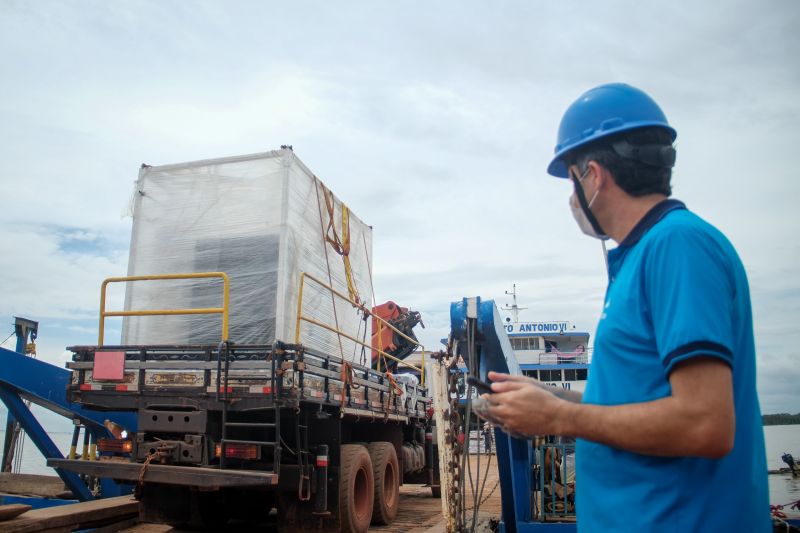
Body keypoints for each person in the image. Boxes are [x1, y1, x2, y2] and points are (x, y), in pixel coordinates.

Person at [484, 83, 770, 532]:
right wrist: (551, 400)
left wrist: (560, 416)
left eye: (572, 182)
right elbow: (643, 405)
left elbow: (705, 424)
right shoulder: (645, 256)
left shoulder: (678, 247)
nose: (572, 200)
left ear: (594, 175)